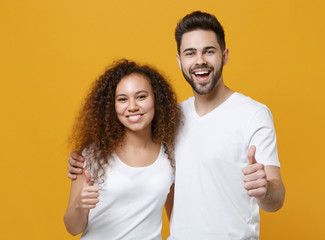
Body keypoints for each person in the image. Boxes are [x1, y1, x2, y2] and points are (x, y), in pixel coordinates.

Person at [67, 11, 285, 239]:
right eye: (190, 53)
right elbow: (130, 142)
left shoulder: (253, 114)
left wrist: (265, 189)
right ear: (180, 61)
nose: (199, 60)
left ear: (225, 55)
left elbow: (276, 199)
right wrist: (83, 159)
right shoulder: (171, 118)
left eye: (209, 51)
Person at [63, 59, 181, 239]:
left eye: (141, 96)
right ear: (112, 106)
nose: (132, 106)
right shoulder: (93, 153)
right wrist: (80, 204)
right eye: (122, 99)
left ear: (156, 100)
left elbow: (177, 220)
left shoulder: (170, 155)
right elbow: (73, 228)